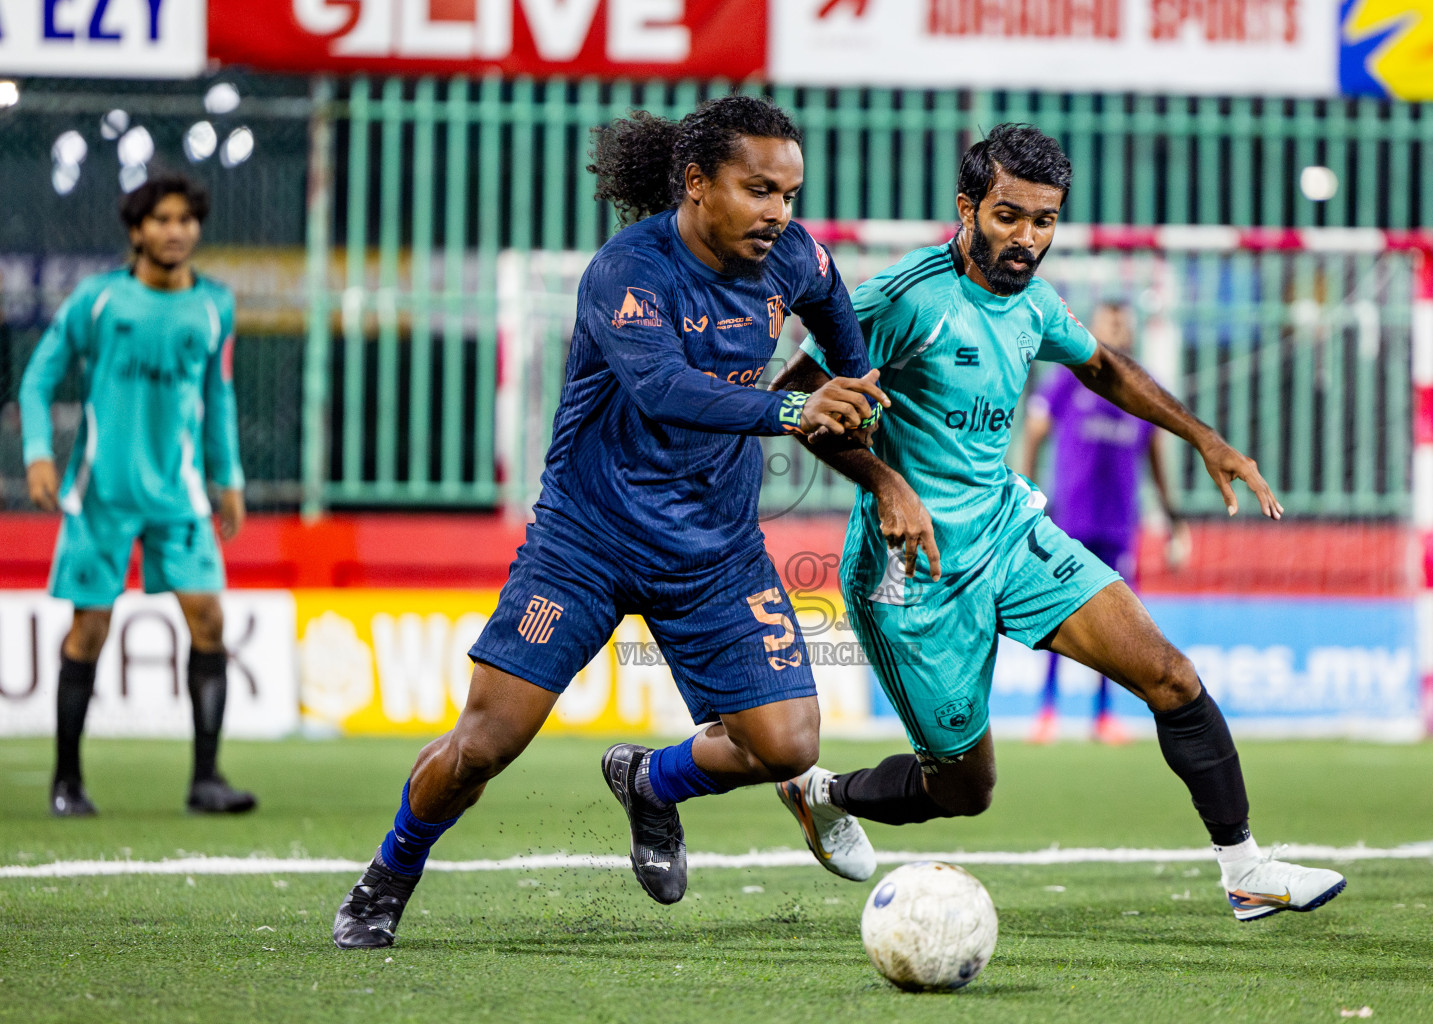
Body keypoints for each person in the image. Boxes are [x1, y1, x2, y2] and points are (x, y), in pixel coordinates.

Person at [332, 96, 930, 949]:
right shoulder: (628, 271)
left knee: (789, 745)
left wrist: (861, 380)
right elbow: (666, 391)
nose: (780, 214)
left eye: (790, 194)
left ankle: (652, 783)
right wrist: (796, 407)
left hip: (714, 550)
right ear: (696, 184)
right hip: (587, 542)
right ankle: (388, 873)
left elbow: (833, 305)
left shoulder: (791, 255)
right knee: (482, 748)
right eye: (760, 190)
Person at [771, 123, 1346, 922]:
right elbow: (799, 402)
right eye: (1010, 216)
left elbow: (1102, 365)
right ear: (967, 208)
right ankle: (820, 792)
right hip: (914, 575)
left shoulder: (1034, 301)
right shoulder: (903, 299)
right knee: (965, 791)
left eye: (1044, 221)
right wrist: (883, 480)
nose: (1027, 239)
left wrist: (1203, 437)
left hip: (1009, 534)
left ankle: (1246, 869)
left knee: (1170, 675)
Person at [20, 173, 255, 817]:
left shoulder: (214, 306)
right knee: (89, 628)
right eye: (161, 220)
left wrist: (227, 476)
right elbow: (38, 379)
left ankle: (206, 779)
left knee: (209, 620)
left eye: (185, 219)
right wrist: (38, 454)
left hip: (179, 494)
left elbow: (219, 398)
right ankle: (67, 783)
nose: (175, 230)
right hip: (102, 494)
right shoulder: (98, 301)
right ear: (136, 231)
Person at [1020, 301, 1189, 745]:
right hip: (1069, 520)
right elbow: (1034, 433)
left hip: (1118, 524)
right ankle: (1048, 709)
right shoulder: (1067, 378)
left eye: (1123, 322)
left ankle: (1102, 715)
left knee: (1118, 623)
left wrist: (1173, 518)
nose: (1117, 328)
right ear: (1092, 327)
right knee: (1058, 613)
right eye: (1110, 320)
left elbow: (1156, 457)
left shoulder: (1142, 389)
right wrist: (1024, 492)